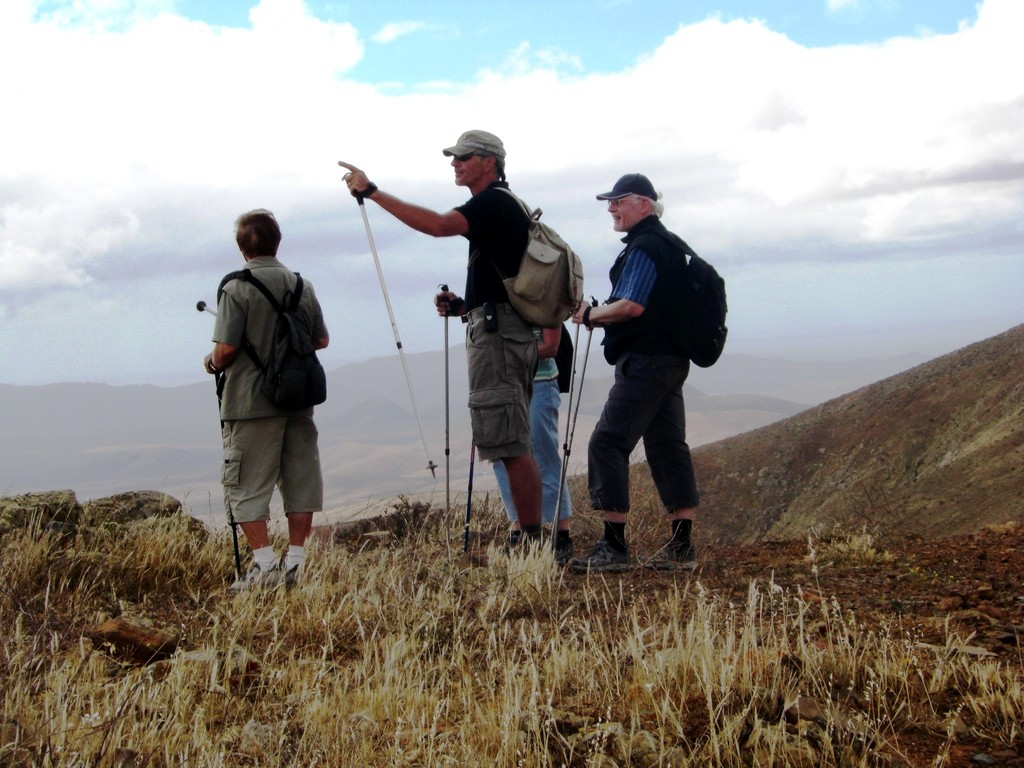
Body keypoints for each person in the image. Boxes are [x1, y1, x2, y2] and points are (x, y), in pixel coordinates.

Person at [338, 130, 544, 544]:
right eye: (454, 157)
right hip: (503, 329)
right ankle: (529, 536)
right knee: (508, 439)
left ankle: (533, 542)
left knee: (511, 443)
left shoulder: (493, 202)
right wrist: (466, 306)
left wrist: (373, 192)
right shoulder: (505, 205)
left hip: (499, 338)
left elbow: (438, 225)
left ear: (489, 162)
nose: (455, 163)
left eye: (464, 157)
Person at [568, 174, 699, 573]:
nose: (611, 207)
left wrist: (591, 314)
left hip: (646, 361)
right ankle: (681, 547)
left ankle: (614, 546)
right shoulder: (671, 245)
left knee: (607, 441)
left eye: (618, 200)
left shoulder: (645, 247)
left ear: (643, 204)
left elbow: (632, 306)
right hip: (671, 360)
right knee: (667, 445)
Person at [203, 209, 330, 590]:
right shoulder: (302, 286)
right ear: (277, 242)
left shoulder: (236, 288)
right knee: (301, 482)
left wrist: (211, 362)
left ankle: (265, 566)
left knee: (244, 486)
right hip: (298, 399)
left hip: (250, 404)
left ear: (242, 248)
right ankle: (296, 565)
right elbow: (320, 340)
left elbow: (226, 350)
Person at [493, 326, 573, 563]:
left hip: (538, 379)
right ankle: (519, 527)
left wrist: (503, 355)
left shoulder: (544, 302)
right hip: (503, 381)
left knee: (542, 452)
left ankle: (561, 531)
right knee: (504, 453)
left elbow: (550, 346)